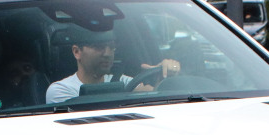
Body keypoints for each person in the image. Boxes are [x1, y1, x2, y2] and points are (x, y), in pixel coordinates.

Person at [45, 27, 178, 103]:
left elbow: (152, 95)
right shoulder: (61, 90)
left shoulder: (123, 81)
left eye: (112, 47)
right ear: (77, 52)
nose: (107, 53)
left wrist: (164, 77)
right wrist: (129, 97)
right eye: (99, 47)